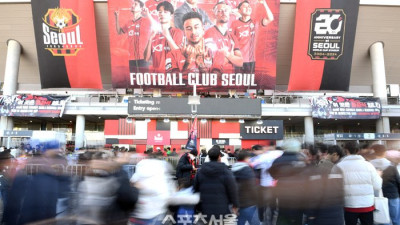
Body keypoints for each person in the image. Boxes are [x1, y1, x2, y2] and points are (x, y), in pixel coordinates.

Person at [332, 141, 382, 225]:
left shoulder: (338, 166)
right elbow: (377, 185)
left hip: (349, 205)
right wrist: (379, 176)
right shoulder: (369, 165)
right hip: (367, 205)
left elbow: (334, 188)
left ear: (346, 150)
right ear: (358, 151)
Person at [193, 146, 239, 222]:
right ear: (219, 157)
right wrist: (235, 204)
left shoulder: (200, 171)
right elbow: (232, 189)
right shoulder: (226, 171)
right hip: (222, 208)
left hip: (205, 207)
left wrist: (197, 206)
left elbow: (195, 189)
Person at [268, 139, 308, 225]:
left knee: (283, 213)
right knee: (298, 216)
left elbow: (272, 173)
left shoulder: (278, 160)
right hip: (300, 192)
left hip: (282, 192)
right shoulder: (302, 160)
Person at [231, 0, 274, 73]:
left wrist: (264, 3)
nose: (248, 8)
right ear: (239, 10)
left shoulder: (255, 22)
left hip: (250, 60)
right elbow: (231, 41)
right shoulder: (234, 24)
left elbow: (270, 18)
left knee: (249, 83)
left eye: (249, 6)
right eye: (244, 6)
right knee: (237, 83)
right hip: (238, 59)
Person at [144, 1, 184, 73]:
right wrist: (150, 39)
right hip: (157, 78)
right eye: (160, 12)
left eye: (165, 12)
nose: (162, 14)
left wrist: (167, 36)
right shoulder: (154, 34)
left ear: (171, 15)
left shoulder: (177, 32)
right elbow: (146, 58)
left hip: (172, 77)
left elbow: (178, 56)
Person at [204, 1, 243, 73]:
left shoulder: (232, 36)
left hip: (230, 80)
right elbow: (210, 61)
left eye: (225, 10)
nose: (223, 12)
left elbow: (240, 62)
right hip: (214, 78)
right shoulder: (208, 33)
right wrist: (231, 57)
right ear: (214, 15)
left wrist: (227, 54)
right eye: (220, 11)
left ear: (229, 14)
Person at [115, 0, 152, 73]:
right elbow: (119, 32)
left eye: (135, 4)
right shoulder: (128, 23)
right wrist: (117, 17)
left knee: (144, 81)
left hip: (143, 58)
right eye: (132, 4)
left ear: (141, 9)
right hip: (131, 58)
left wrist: (147, 13)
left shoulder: (145, 20)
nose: (133, 5)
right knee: (134, 81)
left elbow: (154, 25)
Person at [369, 144, 400, 225]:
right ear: (384, 153)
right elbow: (398, 181)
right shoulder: (392, 165)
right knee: (395, 219)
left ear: (374, 153)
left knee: (380, 219)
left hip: (376, 196)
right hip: (392, 195)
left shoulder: (369, 165)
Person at [231, 150, 260, 225]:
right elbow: (252, 187)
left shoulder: (233, 169)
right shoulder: (247, 170)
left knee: (240, 222)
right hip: (249, 202)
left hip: (237, 203)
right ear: (246, 158)